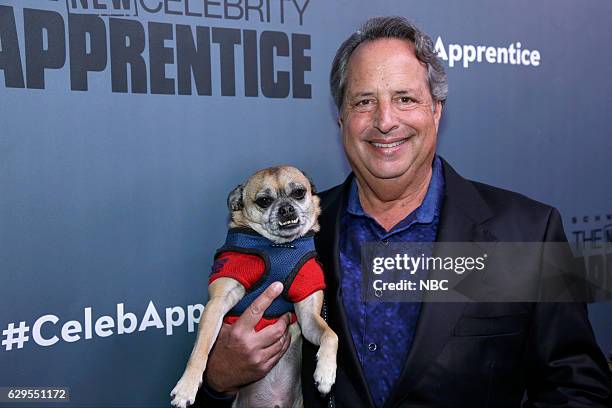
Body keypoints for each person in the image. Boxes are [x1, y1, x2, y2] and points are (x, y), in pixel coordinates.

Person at [195, 16, 612, 407]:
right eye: (364, 102)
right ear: (340, 118)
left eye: (405, 98)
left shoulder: (526, 233)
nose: (385, 121)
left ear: (436, 110)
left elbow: (576, 387)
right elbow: (236, 373)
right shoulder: (295, 237)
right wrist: (218, 378)